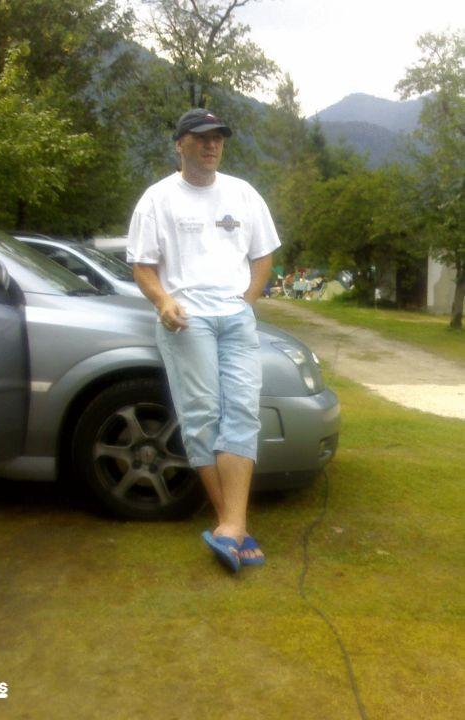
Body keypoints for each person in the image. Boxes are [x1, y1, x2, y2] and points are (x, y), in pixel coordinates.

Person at [127, 108, 280, 572]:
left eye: (218, 138)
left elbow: (264, 255)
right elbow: (142, 265)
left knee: (243, 413)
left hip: (235, 317)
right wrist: (163, 301)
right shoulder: (157, 199)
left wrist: (247, 300)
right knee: (202, 416)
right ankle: (234, 526)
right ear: (180, 144)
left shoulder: (243, 193)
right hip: (186, 320)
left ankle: (231, 526)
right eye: (201, 137)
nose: (212, 145)